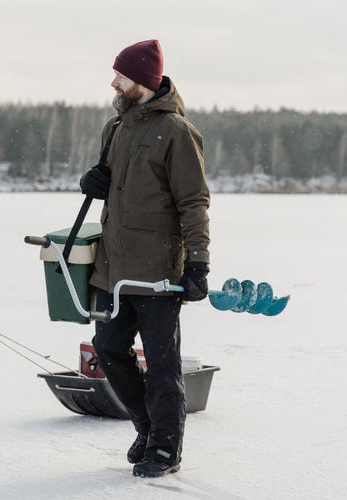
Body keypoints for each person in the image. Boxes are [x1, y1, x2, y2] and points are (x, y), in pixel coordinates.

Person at [78, 39, 211, 478]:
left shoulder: (176, 132)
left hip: (157, 272)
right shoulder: (114, 128)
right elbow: (113, 188)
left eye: (120, 75)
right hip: (113, 270)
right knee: (109, 349)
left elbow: (194, 202)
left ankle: (165, 448)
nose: (113, 81)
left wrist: (197, 263)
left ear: (142, 81)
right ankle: (147, 427)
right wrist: (92, 180)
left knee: (162, 363)